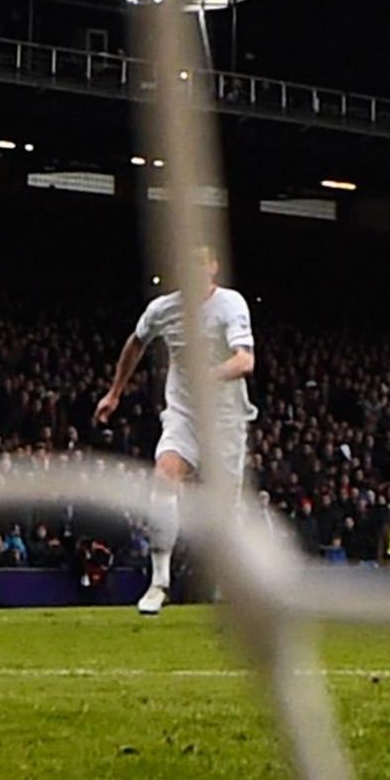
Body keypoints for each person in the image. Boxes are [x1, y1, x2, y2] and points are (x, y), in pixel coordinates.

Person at [95, 255, 256, 616]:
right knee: (164, 477)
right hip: (183, 415)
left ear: (213, 266)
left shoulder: (230, 304)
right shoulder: (162, 309)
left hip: (226, 420)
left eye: (201, 262)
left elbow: (245, 361)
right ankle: (159, 582)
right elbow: (136, 342)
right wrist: (115, 392)